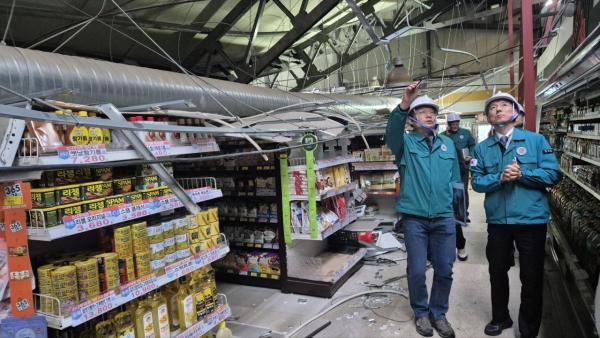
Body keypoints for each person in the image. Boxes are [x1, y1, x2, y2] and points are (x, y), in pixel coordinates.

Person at [470, 92, 561, 338]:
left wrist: (523, 175)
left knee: (531, 275)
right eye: (492, 108)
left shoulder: (536, 141)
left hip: (531, 220)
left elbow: (553, 175)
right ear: (488, 117)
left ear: (516, 113)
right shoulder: (481, 149)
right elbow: (477, 183)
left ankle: (529, 327)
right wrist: (499, 178)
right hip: (499, 221)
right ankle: (501, 318)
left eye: (503, 105)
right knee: (497, 272)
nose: (497, 109)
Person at [386, 81, 461, 338]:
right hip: (415, 219)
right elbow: (391, 132)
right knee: (417, 270)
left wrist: (459, 214)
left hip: (444, 217)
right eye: (421, 111)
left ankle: (438, 313)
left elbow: (456, 181)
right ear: (412, 120)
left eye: (432, 111)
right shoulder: (404, 144)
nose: (429, 114)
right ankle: (421, 312)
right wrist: (405, 102)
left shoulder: (447, 145)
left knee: (444, 269)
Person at [442, 113, 476, 261]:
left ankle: (463, 215)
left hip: (461, 170)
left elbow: (472, 146)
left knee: (460, 195)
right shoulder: (443, 137)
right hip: (445, 175)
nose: (455, 125)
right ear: (448, 124)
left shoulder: (465, 134)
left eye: (457, 122)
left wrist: (471, 157)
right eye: (452, 123)